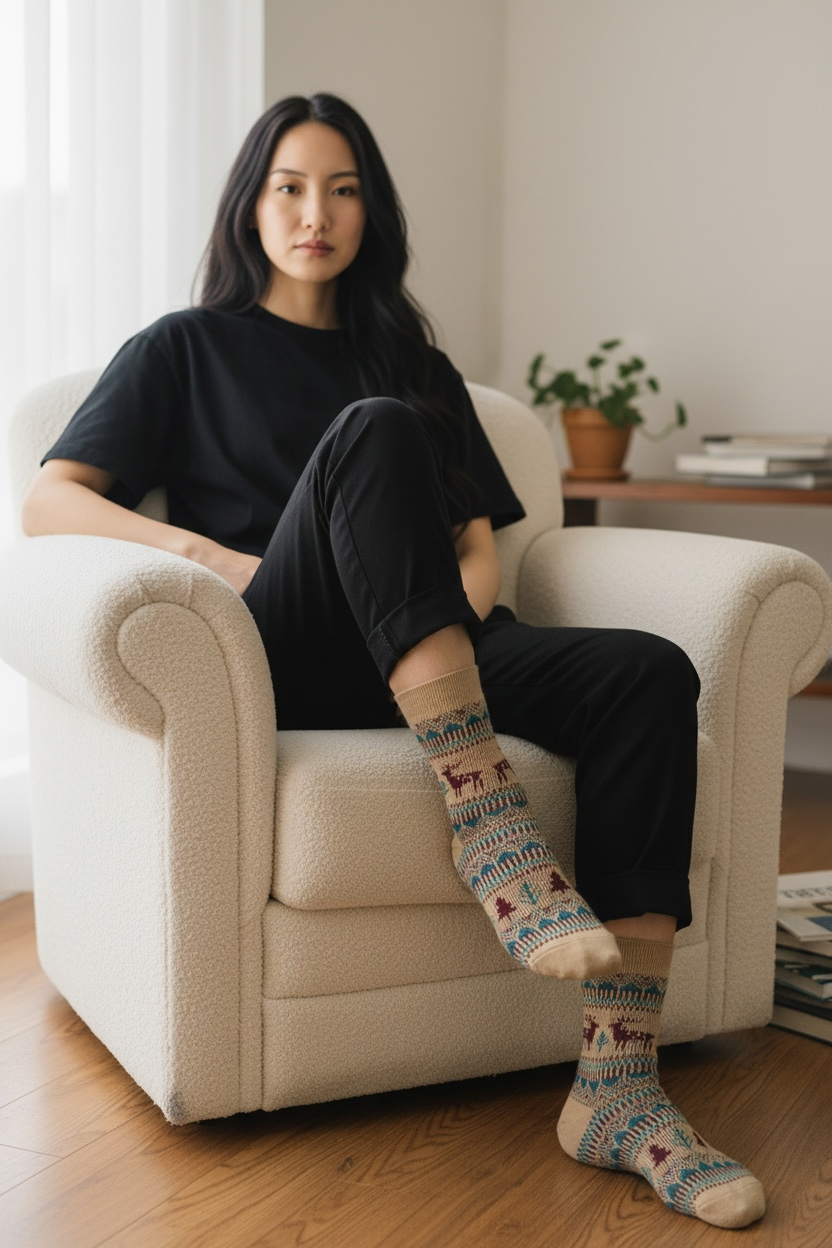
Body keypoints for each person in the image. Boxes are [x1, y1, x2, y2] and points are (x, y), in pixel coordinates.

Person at [22, 93, 764, 1229]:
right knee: (375, 430)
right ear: (249, 206)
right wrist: (211, 557)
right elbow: (47, 502)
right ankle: (488, 820)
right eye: (289, 186)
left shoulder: (409, 360)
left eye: (344, 187)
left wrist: (447, 633)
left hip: (428, 648)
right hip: (287, 645)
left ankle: (618, 1088)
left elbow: (474, 548)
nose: (315, 212)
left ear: (372, 211)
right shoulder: (186, 349)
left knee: (649, 671)